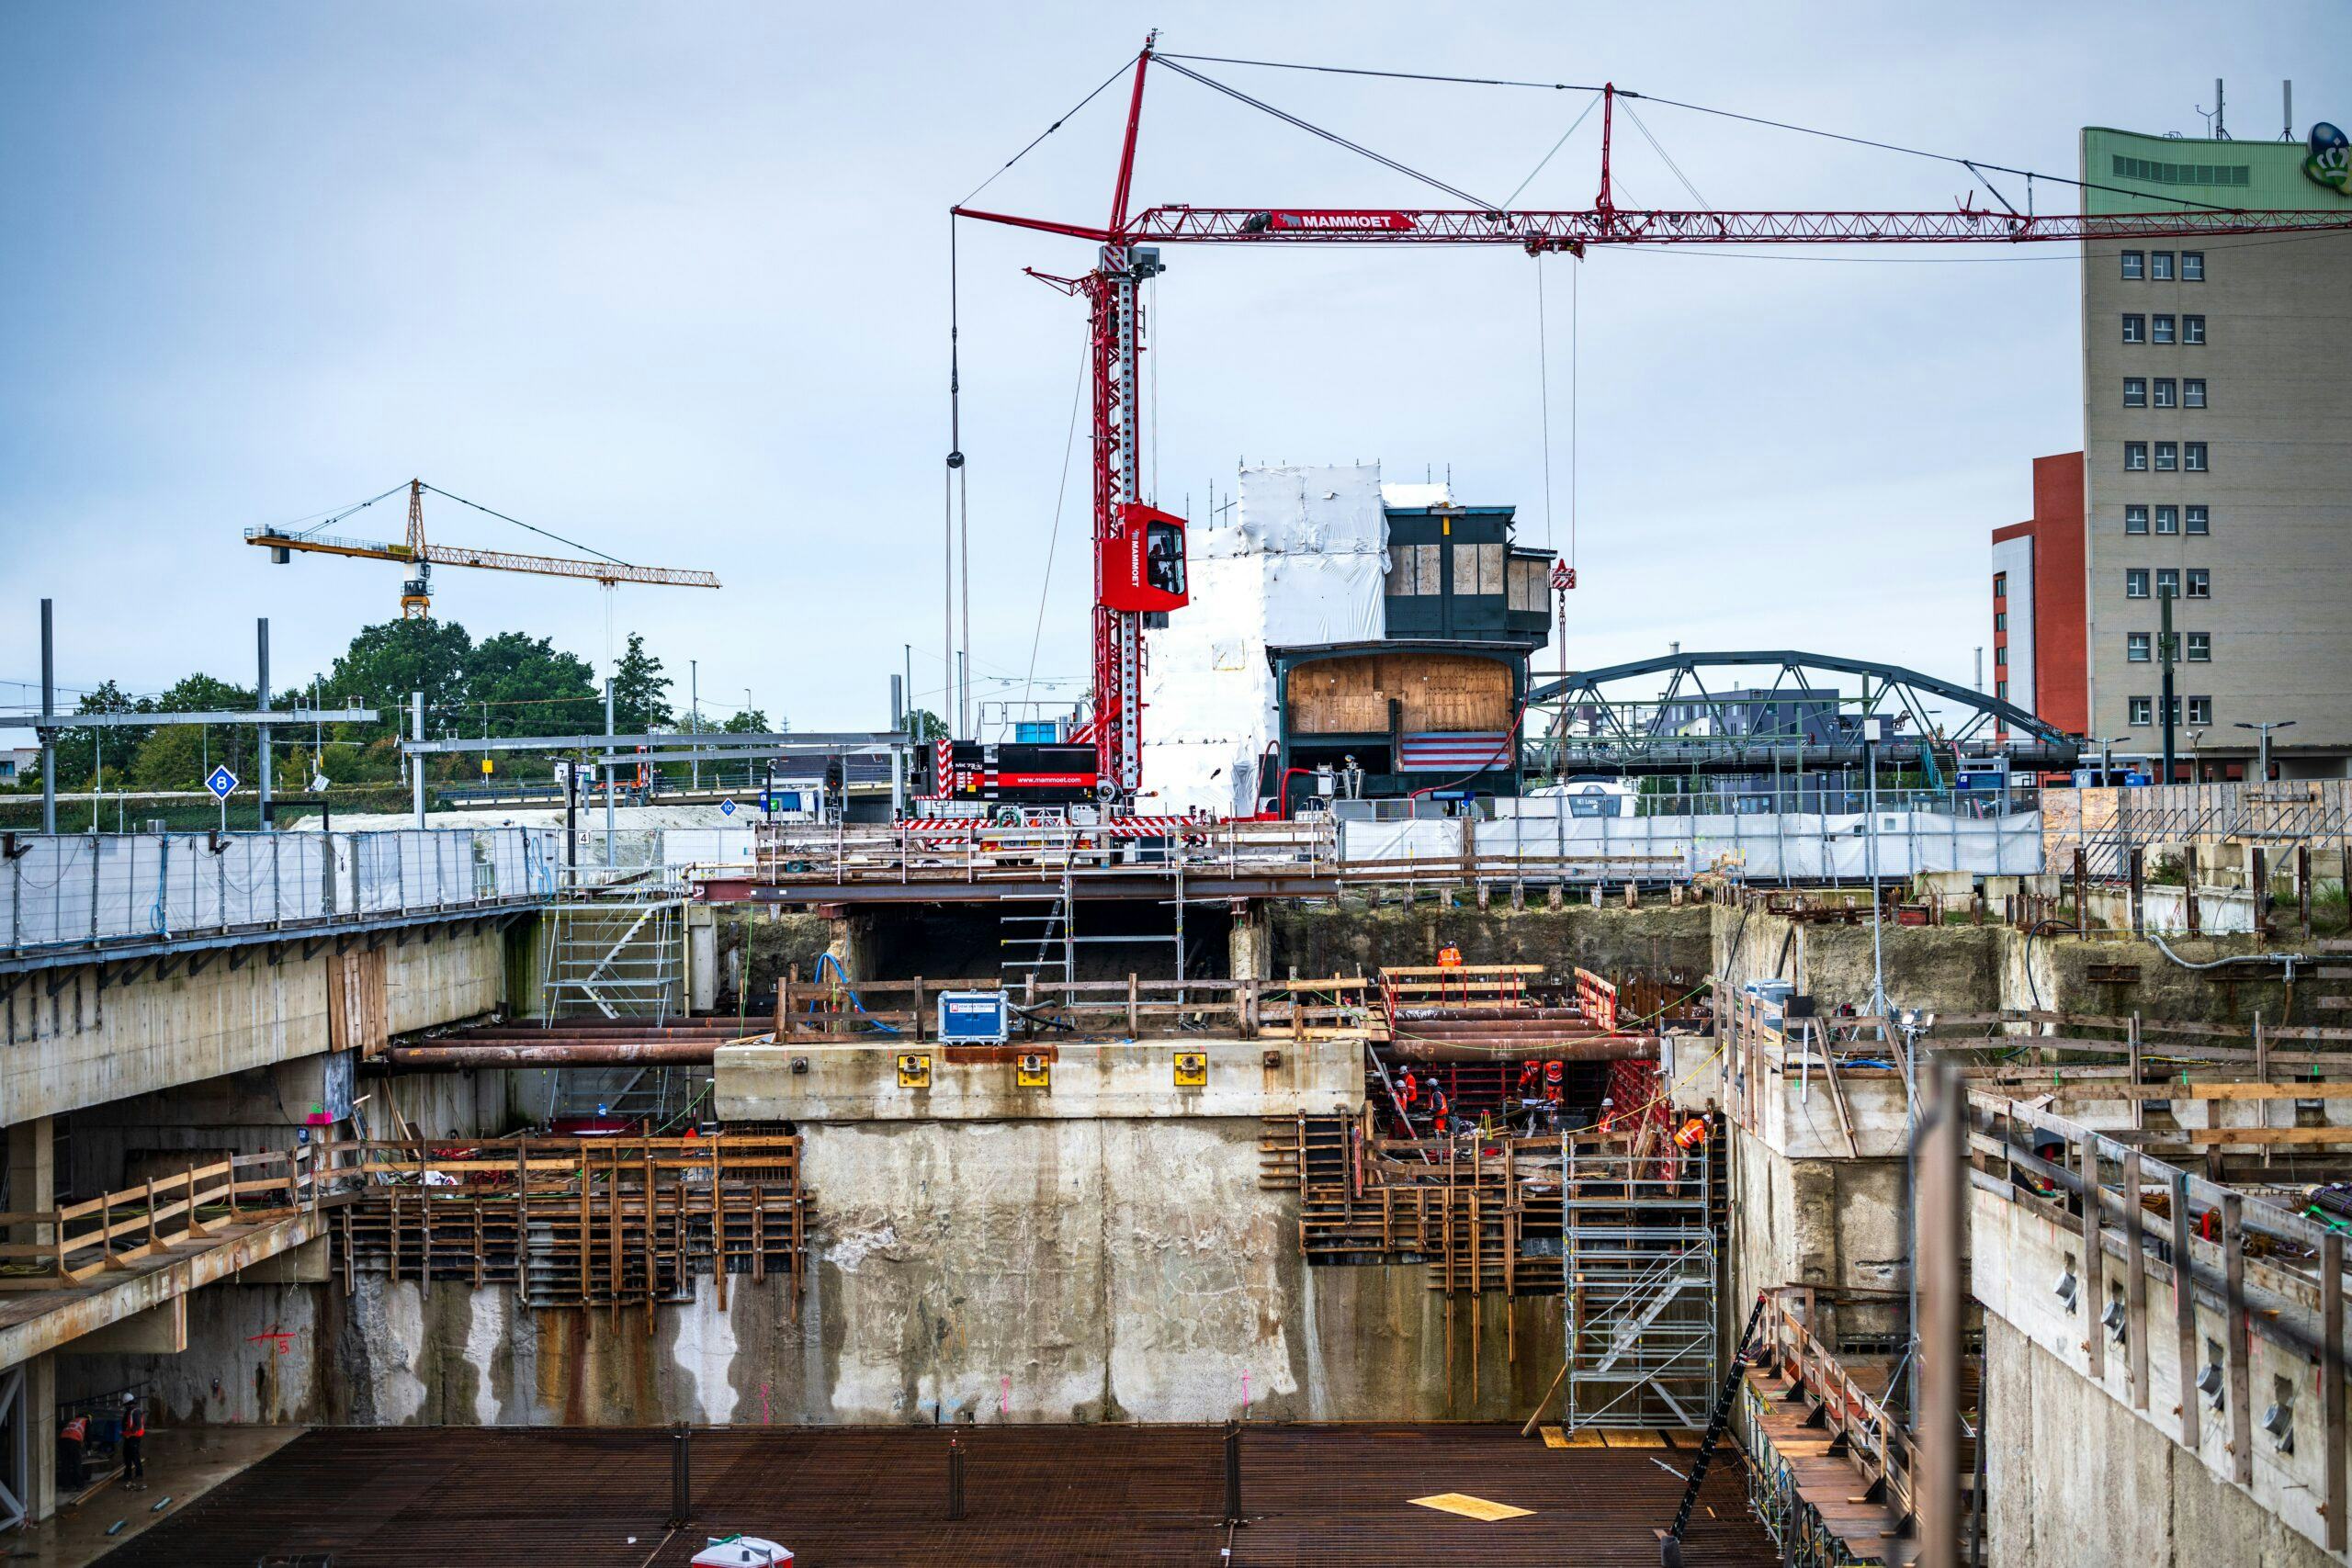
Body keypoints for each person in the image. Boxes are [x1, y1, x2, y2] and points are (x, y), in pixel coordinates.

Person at [119, 1393, 145, 1489]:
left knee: (135, 1456)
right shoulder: (129, 1411)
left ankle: (139, 1474)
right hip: (128, 1437)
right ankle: (127, 1475)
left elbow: (137, 1425)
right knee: (127, 1455)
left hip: (134, 1437)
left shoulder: (136, 1411)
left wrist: (130, 1433)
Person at [57, 1411, 85, 1491]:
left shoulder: (72, 1421)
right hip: (73, 1442)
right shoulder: (85, 1421)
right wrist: (89, 1448)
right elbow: (88, 1436)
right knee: (77, 1463)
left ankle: (66, 1486)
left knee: (65, 1464)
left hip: (62, 1441)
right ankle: (80, 1486)